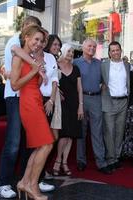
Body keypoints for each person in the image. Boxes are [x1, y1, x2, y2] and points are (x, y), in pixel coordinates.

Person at [0, 16, 46, 199]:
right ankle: (2, 183)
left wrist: (39, 68)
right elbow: (17, 52)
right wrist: (35, 65)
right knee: (14, 141)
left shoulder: (32, 50)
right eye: (32, 31)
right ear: (24, 28)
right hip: (14, 97)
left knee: (30, 142)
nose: (37, 41)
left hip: (28, 98)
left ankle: (28, 180)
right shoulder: (14, 42)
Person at [11, 25, 54, 200]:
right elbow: (14, 85)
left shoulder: (31, 57)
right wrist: (35, 71)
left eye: (41, 40)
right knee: (47, 144)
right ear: (26, 37)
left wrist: (40, 70)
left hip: (36, 101)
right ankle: (32, 184)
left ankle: (24, 182)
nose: (38, 43)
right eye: (35, 39)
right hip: (28, 103)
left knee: (41, 145)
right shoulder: (19, 58)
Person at [73, 38, 111, 174]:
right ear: (83, 47)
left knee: (97, 132)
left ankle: (101, 162)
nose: (92, 49)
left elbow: (104, 82)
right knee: (81, 132)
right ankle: (81, 161)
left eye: (94, 47)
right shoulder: (75, 63)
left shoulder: (99, 64)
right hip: (81, 99)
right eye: (89, 46)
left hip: (96, 99)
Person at [51, 43, 83, 176]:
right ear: (63, 51)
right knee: (64, 134)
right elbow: (51, 82)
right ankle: (58, 160)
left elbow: (79, 88)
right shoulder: (56, 65)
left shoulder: (76, 68)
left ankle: (64, 162)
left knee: (71, 135)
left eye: (72, 52)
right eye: (68, 52)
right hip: (60, 105)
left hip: (74, 104)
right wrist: (57, 91)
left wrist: (81, 105)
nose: (70, 54)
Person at [101, 41, 130, 170]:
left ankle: (117, 156)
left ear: (121, 50)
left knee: (120, 130)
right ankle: (110, 158)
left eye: (117, 50)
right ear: (109, 53)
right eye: (112, 50)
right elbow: (99, 81)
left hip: (123, 101)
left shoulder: (127, 65)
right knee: (109, 131)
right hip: (109, 101)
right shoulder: (104, 65)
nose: (115, 52)